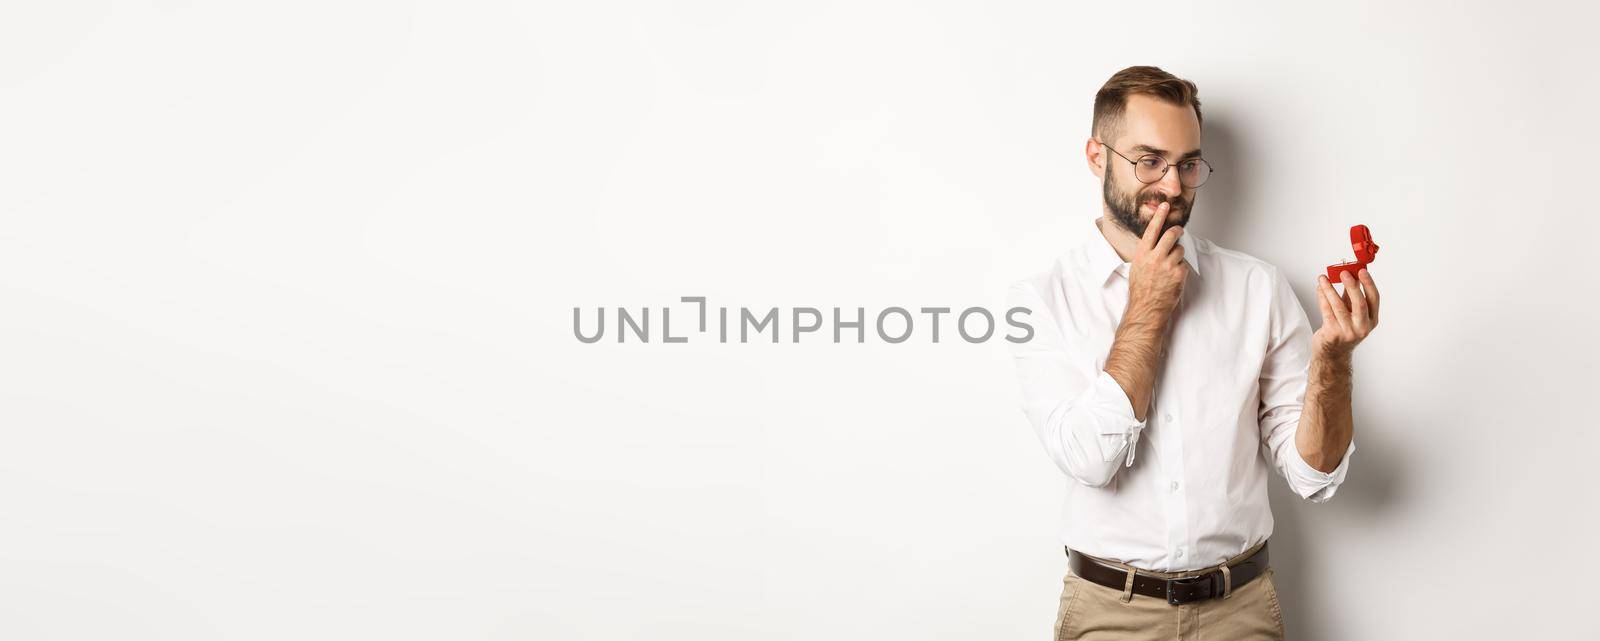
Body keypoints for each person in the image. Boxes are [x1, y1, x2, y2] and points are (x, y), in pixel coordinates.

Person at [1007, 66, 1380, 640]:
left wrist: (1333, 361)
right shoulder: (1042, 299)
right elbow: (1087, 459)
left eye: (1188, 164)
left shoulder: (1258, 288)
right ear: (1096, 157)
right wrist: (1148, 306)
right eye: (1148, 161)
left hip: (1241, 611)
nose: (1174, 186)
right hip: (1111, 615)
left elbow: (1314, 473)